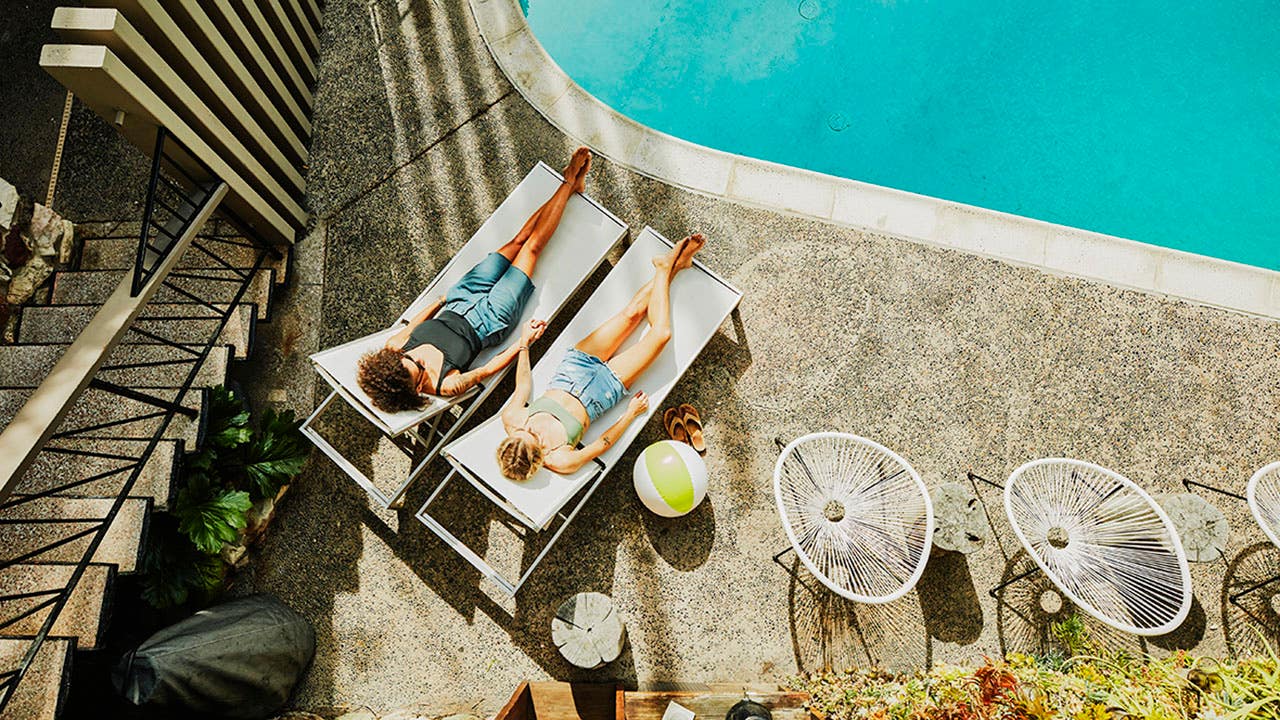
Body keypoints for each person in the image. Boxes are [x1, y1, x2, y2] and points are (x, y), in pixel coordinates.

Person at [356, 148, 592, 412]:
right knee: (532, 248)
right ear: (418, 388)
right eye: (420, 370)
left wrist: (442, 299)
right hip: (491, 319)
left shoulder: (395, 348)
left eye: (411, 360)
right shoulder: (444, 384)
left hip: (460, 298)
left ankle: (570, 186)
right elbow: (488, 368)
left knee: (519, 240)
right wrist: (524, 341)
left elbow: (414, 324)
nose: (419, 361)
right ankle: (569, 180)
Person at [496, 233, 707, 480]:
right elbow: (601, 444)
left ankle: (673, 266)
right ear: (537, 459)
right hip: (605, 390)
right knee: (661, 335)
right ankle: (667, 266)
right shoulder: (560, 460)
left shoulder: (512, 419)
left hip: (574, 368)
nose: (532, 430)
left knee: (632, 313)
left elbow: (523, 385)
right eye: (535, 439)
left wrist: (524, 343)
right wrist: (630, 414)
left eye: (526, 431)